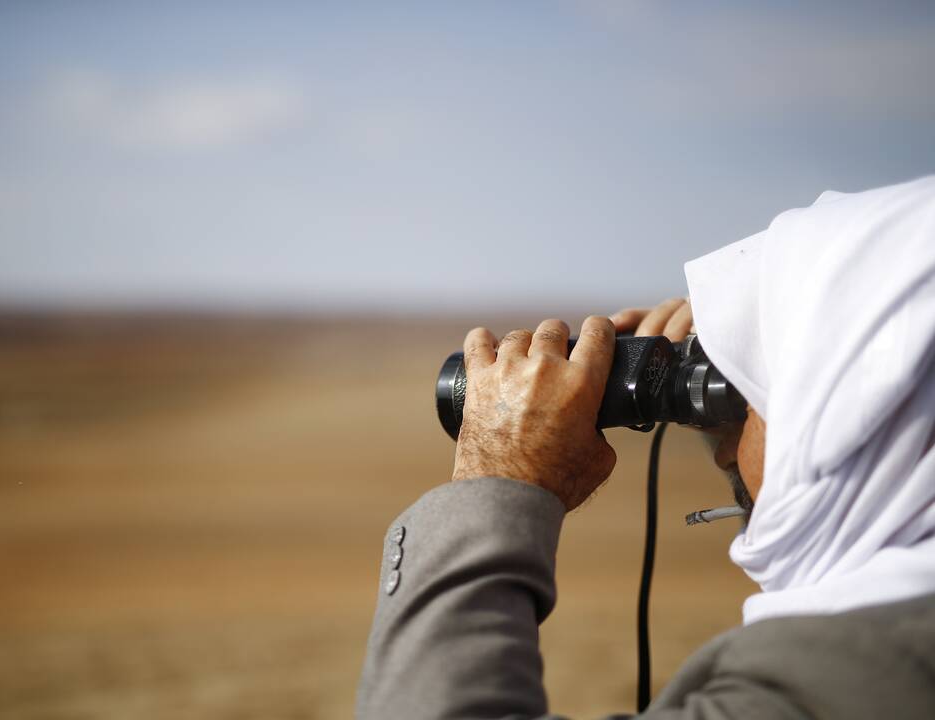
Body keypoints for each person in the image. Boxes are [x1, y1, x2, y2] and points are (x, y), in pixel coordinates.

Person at [356, 176, 935, 719]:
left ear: (859, 416)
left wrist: (502, 471)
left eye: (755, 395)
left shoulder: (836, 684)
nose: (725, 453)